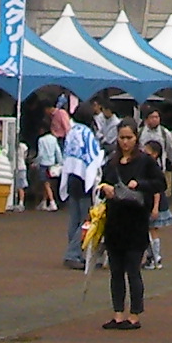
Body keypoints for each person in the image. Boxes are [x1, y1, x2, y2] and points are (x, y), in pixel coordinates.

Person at [94, 121, 169, 329]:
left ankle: (135, 314)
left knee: (133, 270)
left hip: (136, 223)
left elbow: (160, 183)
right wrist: (105, 189)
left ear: (136, 138)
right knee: (115, 271)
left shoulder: (145, 161)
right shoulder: (112, 162)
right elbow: (101, 184)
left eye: (129, 138)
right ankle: (118, 313)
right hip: (114, 222)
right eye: (122, 138)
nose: (125, 142)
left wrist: (140, 184)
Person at [58, 109, 103, 268]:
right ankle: (73, 253)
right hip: (84, 180)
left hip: (71, 177)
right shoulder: (86, 133)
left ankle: (74, 251)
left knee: (74, 220)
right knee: (86, 220)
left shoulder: (72, 132)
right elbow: (93, 157)